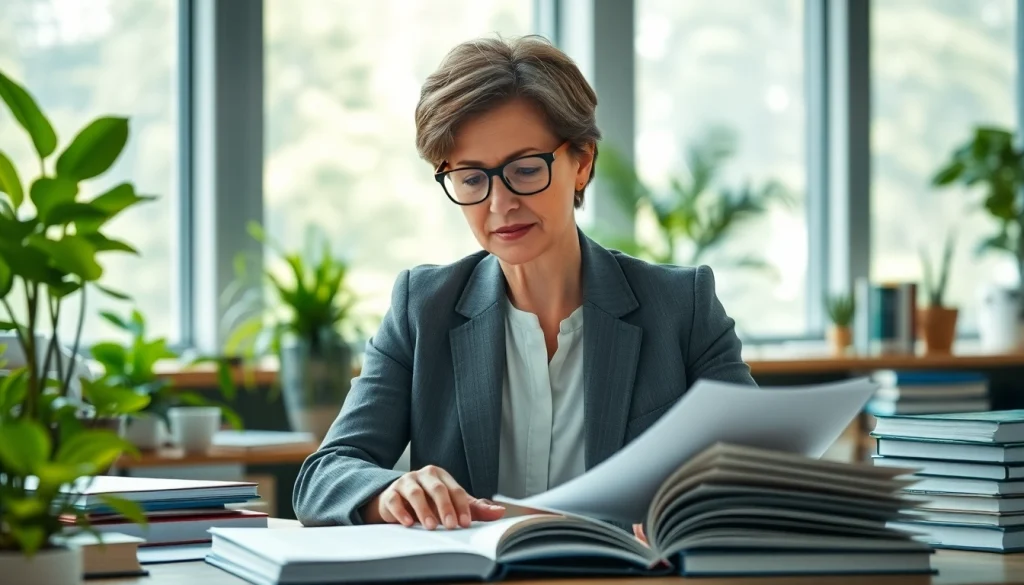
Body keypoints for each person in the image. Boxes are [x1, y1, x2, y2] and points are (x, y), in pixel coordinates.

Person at [292, 35, 756, 535]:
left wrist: (689, 511)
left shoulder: (680, 308)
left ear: (582, 162)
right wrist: (389, 492)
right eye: (472, 179)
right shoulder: (422, 309)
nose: (500, 204)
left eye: (525, 169)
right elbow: (323, 476)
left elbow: (761, 466)